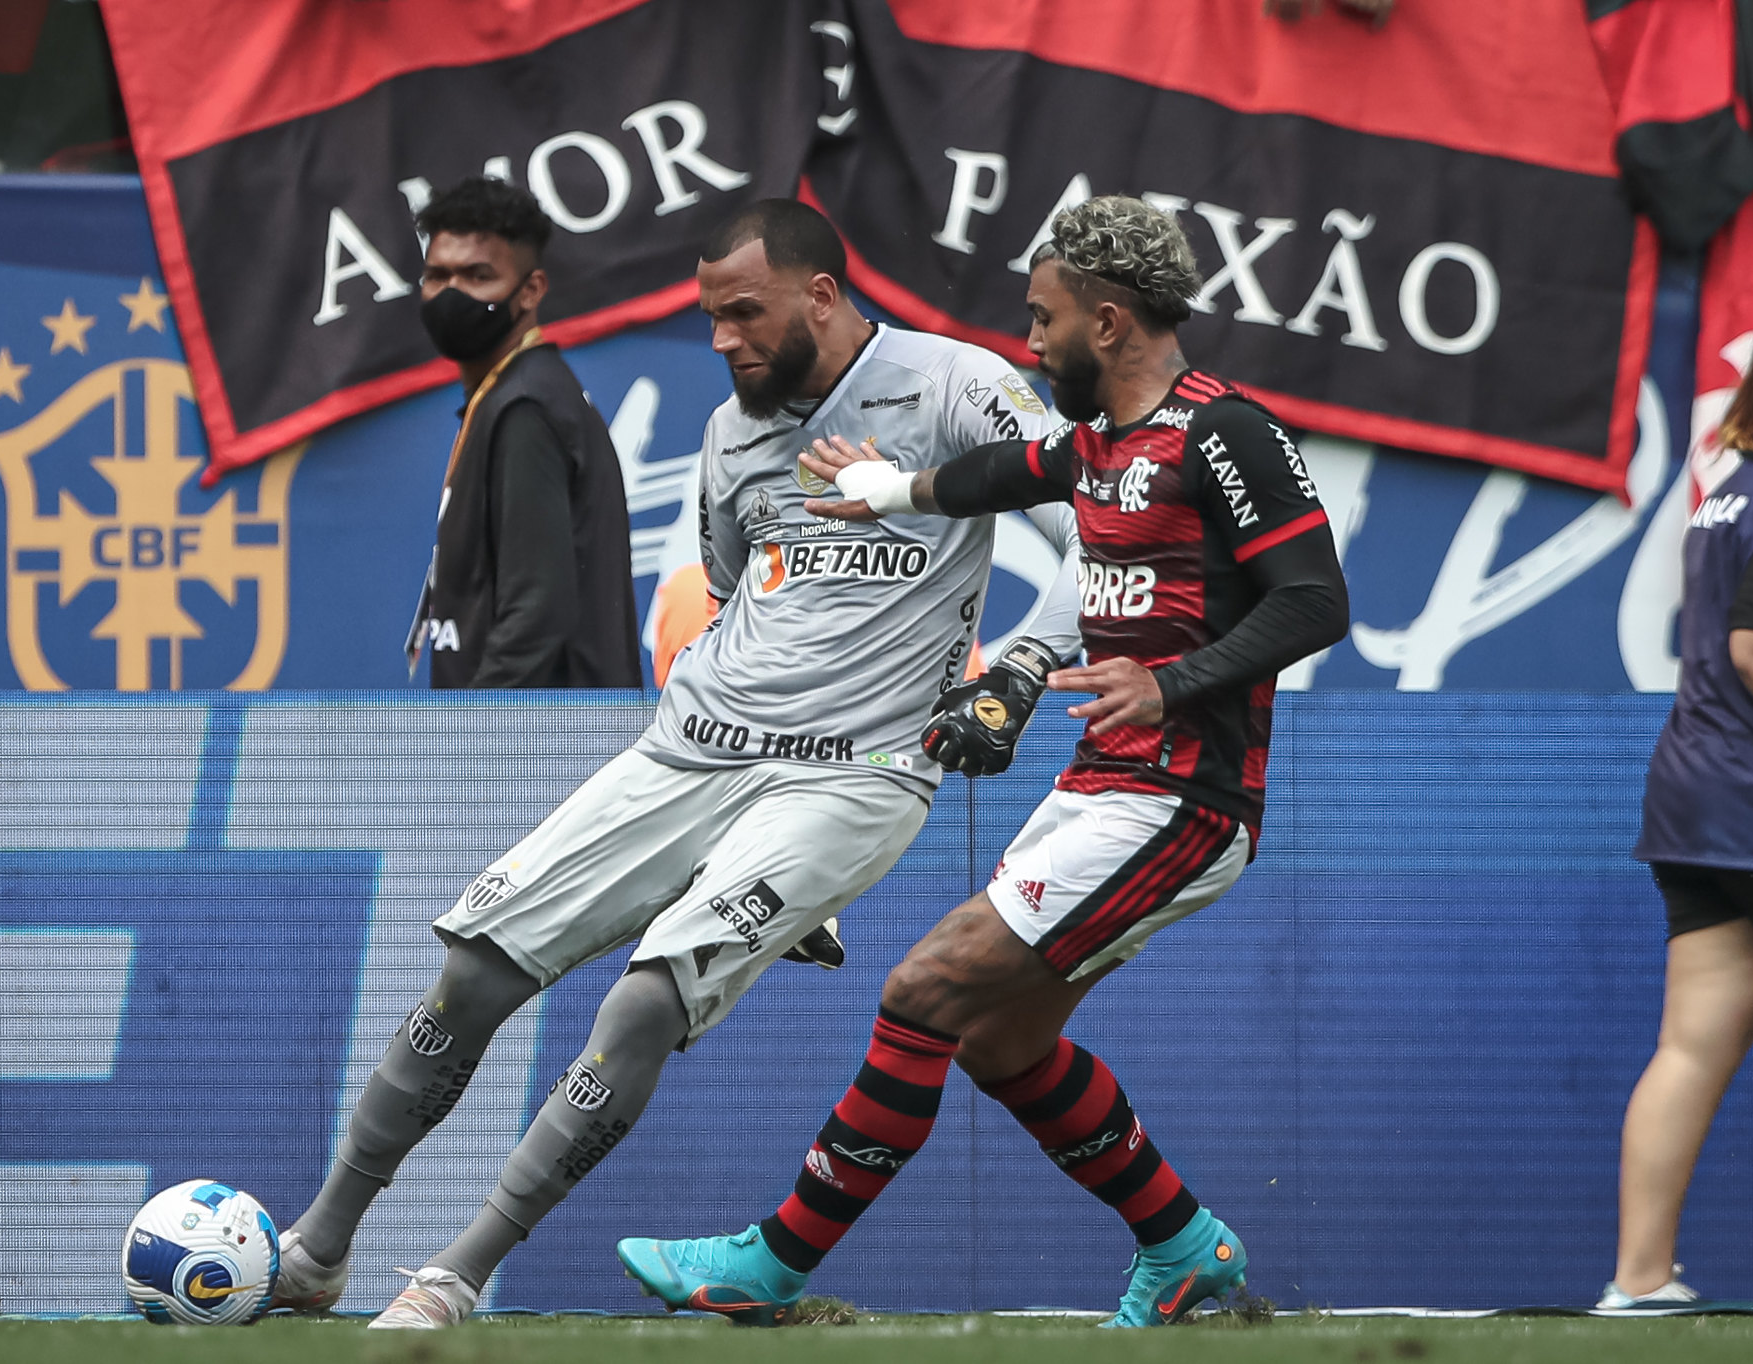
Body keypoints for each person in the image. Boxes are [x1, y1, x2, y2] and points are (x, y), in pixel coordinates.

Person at [271, 197, 1079, 1329]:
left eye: (743, 313)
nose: (722, 340)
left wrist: (1021, 669)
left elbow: (1102, 525)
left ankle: (454, 1273)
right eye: (708, 317)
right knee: (472, 973)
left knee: (645, 1003)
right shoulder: (731, 432)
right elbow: (736, 583)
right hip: (688, 749)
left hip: (854, 773)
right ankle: (316, 1248)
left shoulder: (952, 386)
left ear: (823, 296)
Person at [617, 195, 1350, 1328]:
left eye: (1041, 317)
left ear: (1107, 323)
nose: (1028, 339)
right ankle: (1184, 1243)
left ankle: (772, 1261)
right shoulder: (1101, 439)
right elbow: (1007, 474)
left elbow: (1315, 601)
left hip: (1181, 798)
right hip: (1103, 782)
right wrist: (893, 487)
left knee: (924, 988)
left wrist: (1169, 680)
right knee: (1003, 1038)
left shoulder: (1227, 434)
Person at [1602, 316, 1753, 1310]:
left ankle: (1638, 1279)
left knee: (1691, 1043)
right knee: (1692, 1043)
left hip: (1695, 795)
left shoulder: (1729, 485)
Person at [406, 176, 642, 689]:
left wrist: (470, 741)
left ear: (531, 290)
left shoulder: (526, 408)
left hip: (545, 750)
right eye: (437, 275)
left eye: (477, 276)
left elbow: (537, 613)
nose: (451, 294)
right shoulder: (513, 395)